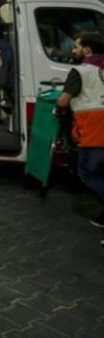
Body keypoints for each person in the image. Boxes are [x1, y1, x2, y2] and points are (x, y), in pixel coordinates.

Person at [55, 31, 104, 232]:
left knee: (88, 174)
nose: (74, 50)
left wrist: (58, 109)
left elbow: (63, 101)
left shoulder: (80, 71)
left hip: (93, 128)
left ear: (87, 49)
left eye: (76, 46)